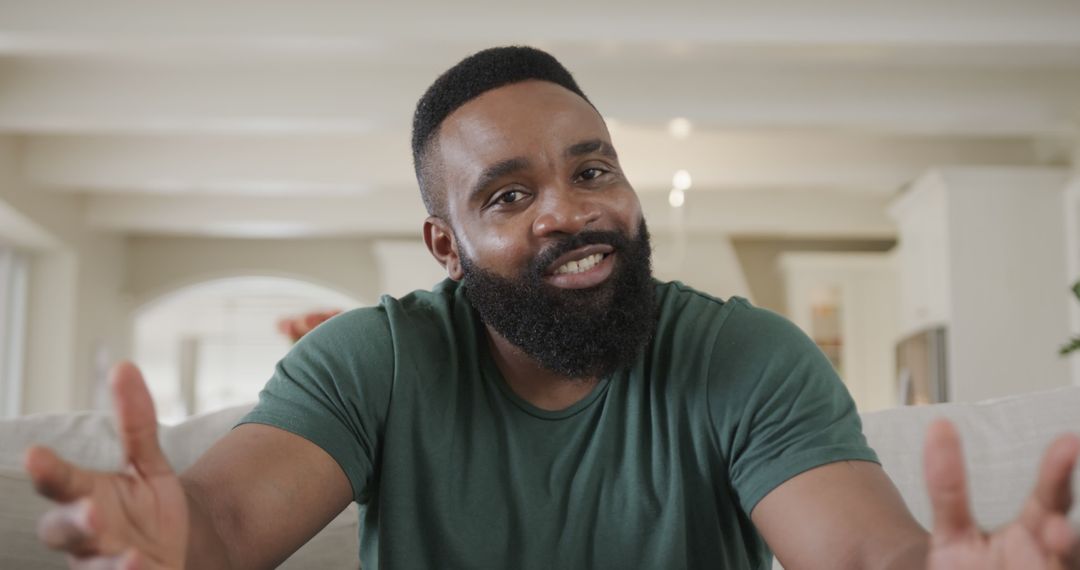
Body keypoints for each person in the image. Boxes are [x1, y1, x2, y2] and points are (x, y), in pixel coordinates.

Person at [23, 46, 1080, 570]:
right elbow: (225, 519)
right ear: (446, 244)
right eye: (509, 195)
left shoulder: (746, 355)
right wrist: (174, 540)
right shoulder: (376, 360)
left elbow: (861, 555)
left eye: (593, 170)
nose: (571, 214)